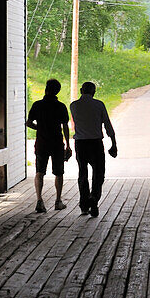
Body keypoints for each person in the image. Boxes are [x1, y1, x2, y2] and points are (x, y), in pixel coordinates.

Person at [69, 81, 117, 217]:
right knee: (98, 173)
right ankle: (94, 199)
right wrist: (113, 144)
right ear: (94, 92)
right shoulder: (99, 105)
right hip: (96, 143)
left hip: (80, 143)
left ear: (80, 90)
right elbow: (108, 125)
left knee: (83, 173)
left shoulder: (74, 106)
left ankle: (84, 205)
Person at [26, 78, 71, 213]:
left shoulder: (37, 105)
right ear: (57, 91)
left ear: (46, 89)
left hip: (42, 143)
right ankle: (58, 201)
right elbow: (65, 127)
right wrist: (68, 145)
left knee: (39, 172)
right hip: (56, 143)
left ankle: (40, 201)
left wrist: (39, 128)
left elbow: (28, 123)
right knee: (59, 173)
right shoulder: (61, 106)